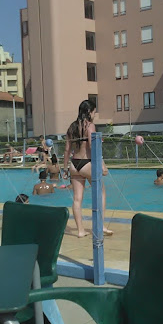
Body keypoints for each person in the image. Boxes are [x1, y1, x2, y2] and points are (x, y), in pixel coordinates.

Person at [63, 99, 114, 238]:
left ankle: (80, 231)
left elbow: (67, 149)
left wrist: (65, 168)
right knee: (101, 193)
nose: (94, 114)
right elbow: (93, 147)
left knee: (77, 199)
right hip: (87, 163)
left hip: (74, 164)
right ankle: (100, 226)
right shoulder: (90, 126)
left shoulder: (71, 127)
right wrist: (102, 165)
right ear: (89, 112)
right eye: (94, 112)